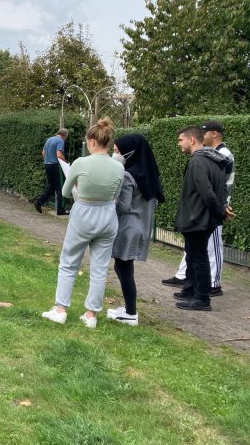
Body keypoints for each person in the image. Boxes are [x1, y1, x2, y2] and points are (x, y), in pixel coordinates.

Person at [42, 118, 124, 329]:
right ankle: (91, 315)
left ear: (92, 141)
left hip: (84, 214)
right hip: (108, 216)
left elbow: (65, 192)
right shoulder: (118, 167)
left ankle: (60, 309)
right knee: (99, 267)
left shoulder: (80, 163)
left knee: (69, 262)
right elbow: (116, 194)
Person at [162, 120, 235, 296]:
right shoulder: (213, 158)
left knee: (199, 258)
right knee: (194, 256)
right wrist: (222, 207)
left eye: (180, 140)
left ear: (192, 140)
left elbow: (207, 192)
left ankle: (202, 297)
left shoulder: (199, 161)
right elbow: (220, 188)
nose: (178, 143)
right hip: (203, 217)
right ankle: (190, 291)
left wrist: (220, 210)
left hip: (198, 218)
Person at [106, 134, 165, 326]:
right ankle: (128, 307)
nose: (114, 154)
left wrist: (106, 204)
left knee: (124, 269)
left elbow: (122, 206)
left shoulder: (127, 174)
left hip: (127, 228)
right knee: (123, 267)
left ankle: (131, 312)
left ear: (129, 152)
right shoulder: (148, 173)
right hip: (141, 227)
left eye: (117, 151)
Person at [34, 128, 69, 215]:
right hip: (55, 166)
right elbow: (59, 155)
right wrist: (66, 164)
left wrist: (48, 159)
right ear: (65, 135)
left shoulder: (49, 139)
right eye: (66, 137)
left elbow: (43, 153)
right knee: (60, 188)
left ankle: (39, 202)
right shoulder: (60, 141)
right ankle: (60, 210)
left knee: (51, 186)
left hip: (47, 165)